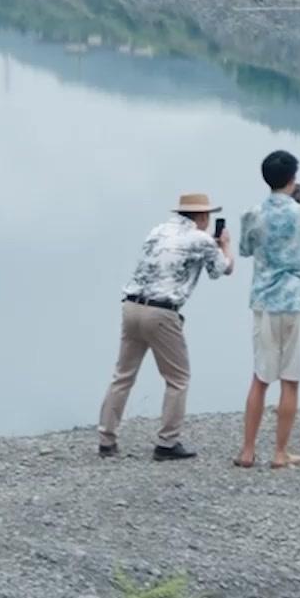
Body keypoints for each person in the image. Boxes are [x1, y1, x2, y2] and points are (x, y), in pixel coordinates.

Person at [98, 191, 234, 462]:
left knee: (123, 375)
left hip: (131, 306)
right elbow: (221, 270)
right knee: (178, 379)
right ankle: (167, 442)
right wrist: (225, 246)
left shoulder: (157, 231)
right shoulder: (201, 239)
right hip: (162, 313)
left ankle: (106, 439)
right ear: (202, 215)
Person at [234, 150, 300, 469]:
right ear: (293, 179)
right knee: (290, 380)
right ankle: (280, 453)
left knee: (260, 377)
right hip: (298, 301)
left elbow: (245, 249)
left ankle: (247, 451)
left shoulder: (252, 213)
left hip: (265, 301)